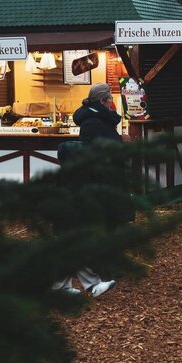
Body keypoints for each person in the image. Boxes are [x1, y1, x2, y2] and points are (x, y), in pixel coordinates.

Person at [52, 83, 121, 298]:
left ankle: (68, 287)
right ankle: (87, 285)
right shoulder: (92, 127)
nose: (112, 103)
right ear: (102, 100)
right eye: (109, 99)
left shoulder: (72, 165)